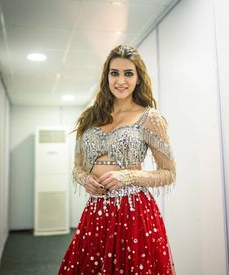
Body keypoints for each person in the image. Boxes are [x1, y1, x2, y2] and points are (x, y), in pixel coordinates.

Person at [58, 44, 176, 275]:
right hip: (96, 211)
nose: (120, 81)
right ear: (106, 77)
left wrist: (128, 175)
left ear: (138, 78)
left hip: (134, 213)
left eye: (128, 73)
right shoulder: (91, 117)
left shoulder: (149, 117)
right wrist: (86, 180)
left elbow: (169, 172)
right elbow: (77, 167)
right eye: (115, 73)